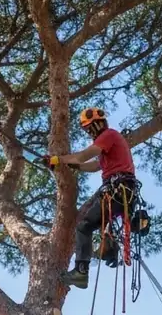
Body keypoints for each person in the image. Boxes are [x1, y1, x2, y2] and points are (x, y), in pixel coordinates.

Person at [47, 107, 139, 289]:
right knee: (97, 225)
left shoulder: (108, 135)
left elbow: (83, 156)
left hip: (118, 190)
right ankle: (109, 248)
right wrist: (74, 166)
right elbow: (96, 165)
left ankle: (81, 272)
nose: (89, 133)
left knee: (84, 226)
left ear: (97, 124)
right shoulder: (109, 145)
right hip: (122, 192)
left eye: (89, 129)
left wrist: (58, 159)